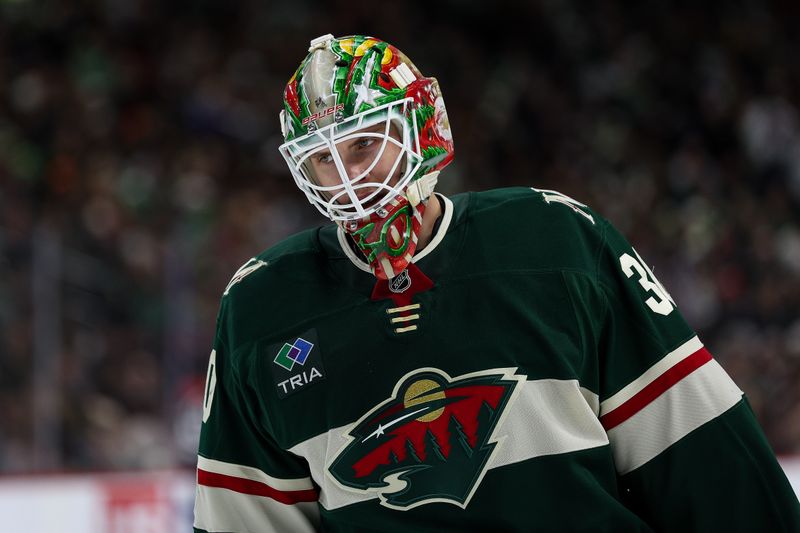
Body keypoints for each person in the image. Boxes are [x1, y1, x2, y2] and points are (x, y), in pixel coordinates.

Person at [193, 34, 800, 532]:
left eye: (363, 144)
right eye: (324, 158)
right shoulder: (260, 309)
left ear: (419, 128)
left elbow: (704, 454)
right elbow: (243, 522)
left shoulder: (554, 240)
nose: (347, 178)